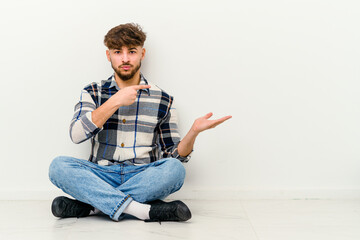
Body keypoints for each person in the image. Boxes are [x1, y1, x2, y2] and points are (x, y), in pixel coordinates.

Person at [48, 23, 232, 222]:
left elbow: (174, 157)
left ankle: (95, 207)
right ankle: (143, 210)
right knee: (58, 166)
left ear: (142, 54)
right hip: (102, 174)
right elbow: (76, 135)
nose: (125, 58)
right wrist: (116, 100)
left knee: (175, 170)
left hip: (143, 175)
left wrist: (194, 132)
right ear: (108, 55)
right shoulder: (93, 91)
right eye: (118, 52)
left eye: (132, 51)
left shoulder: (163, 99)